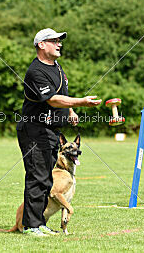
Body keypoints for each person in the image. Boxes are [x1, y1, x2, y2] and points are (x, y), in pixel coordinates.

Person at [16, 28, 102, 236]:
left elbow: (62, 94)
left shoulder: (57, 67)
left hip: (51, 131)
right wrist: (81, 102)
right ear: (41, 45)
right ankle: (30, 226)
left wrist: (71, 110)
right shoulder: (36, 71)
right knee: (37, 176)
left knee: (46, 177)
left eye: (59, 40)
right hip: (34, 130)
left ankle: (39, 223)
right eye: (53, 40)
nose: (59, 44)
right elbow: (53, 99)